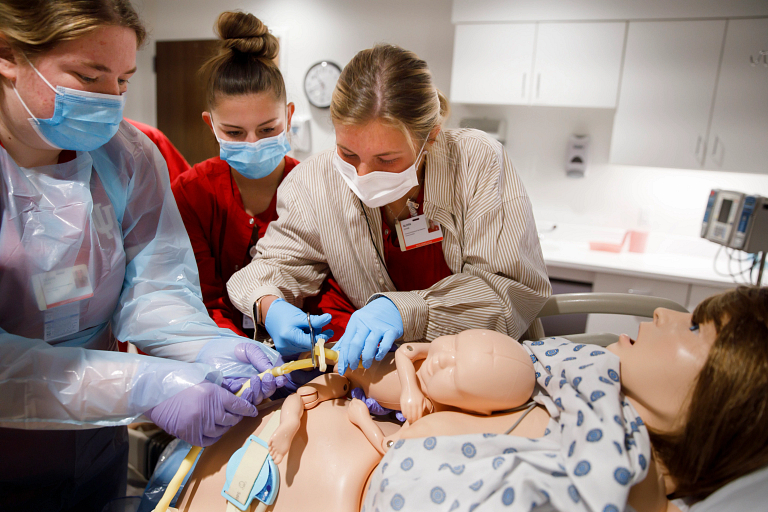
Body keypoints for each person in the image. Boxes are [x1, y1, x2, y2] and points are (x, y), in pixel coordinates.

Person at [0, 2, 282, 510]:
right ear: (7, 54)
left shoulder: (125, 156)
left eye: (123, 82)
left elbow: (157, 287)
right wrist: (147, 384)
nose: (110, 101)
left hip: (93, 449)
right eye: (90, 76)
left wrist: (205, 347)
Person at [170, 286, 768, 512]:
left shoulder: (612, 482)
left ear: (726, 399)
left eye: (695, 329)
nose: (665, 311)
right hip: (214, 456)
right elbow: (388, 380)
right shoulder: (571, 375)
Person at [227, 44, 552, 373]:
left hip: (481, 368)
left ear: (431, 139)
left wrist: (406, 310)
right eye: (348, 154)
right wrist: (270, 306)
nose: (363, 174)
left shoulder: (475, 161)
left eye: (386, 160)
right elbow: (274, 264)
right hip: (383, 371)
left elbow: (512, 291)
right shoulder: (314, 181)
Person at [172, 10, 354, 343]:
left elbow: (332, 287)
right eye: (235, 132)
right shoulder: (192, 192)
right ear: (209, 124)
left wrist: (313, 340)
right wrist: (235, 352)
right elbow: (200, 297)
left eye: (267, 129)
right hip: (218, 346)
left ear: (288, 116)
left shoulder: (316, 188)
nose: (253, 144)